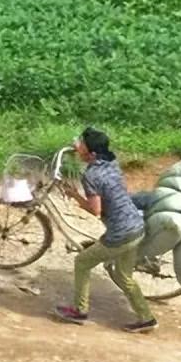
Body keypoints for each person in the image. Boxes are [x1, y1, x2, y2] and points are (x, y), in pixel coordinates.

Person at [53, 127, 157, 333]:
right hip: (136, 225)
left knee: (82, 261)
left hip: (119, 234)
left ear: (91, 153)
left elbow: (95, 210)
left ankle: (79, 310)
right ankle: (147, 318)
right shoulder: (111, 162)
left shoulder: (91, 175)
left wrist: (74, 195)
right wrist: (79, 151)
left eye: (81, 144)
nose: (77, 144)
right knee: (123, 275)